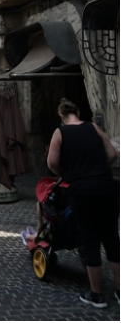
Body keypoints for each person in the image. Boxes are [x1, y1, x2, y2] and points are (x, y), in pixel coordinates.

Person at [47, 98, 119, 308]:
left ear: (62, 116)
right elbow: (112, 154)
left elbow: (52, 163)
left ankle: (96, 294)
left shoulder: (60, 133)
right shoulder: (93, 127)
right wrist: (100, 167)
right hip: (106, 186)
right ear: (77, 112)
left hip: (81, 189)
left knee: (89, 239)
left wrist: (66, 174)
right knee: (112, 238)